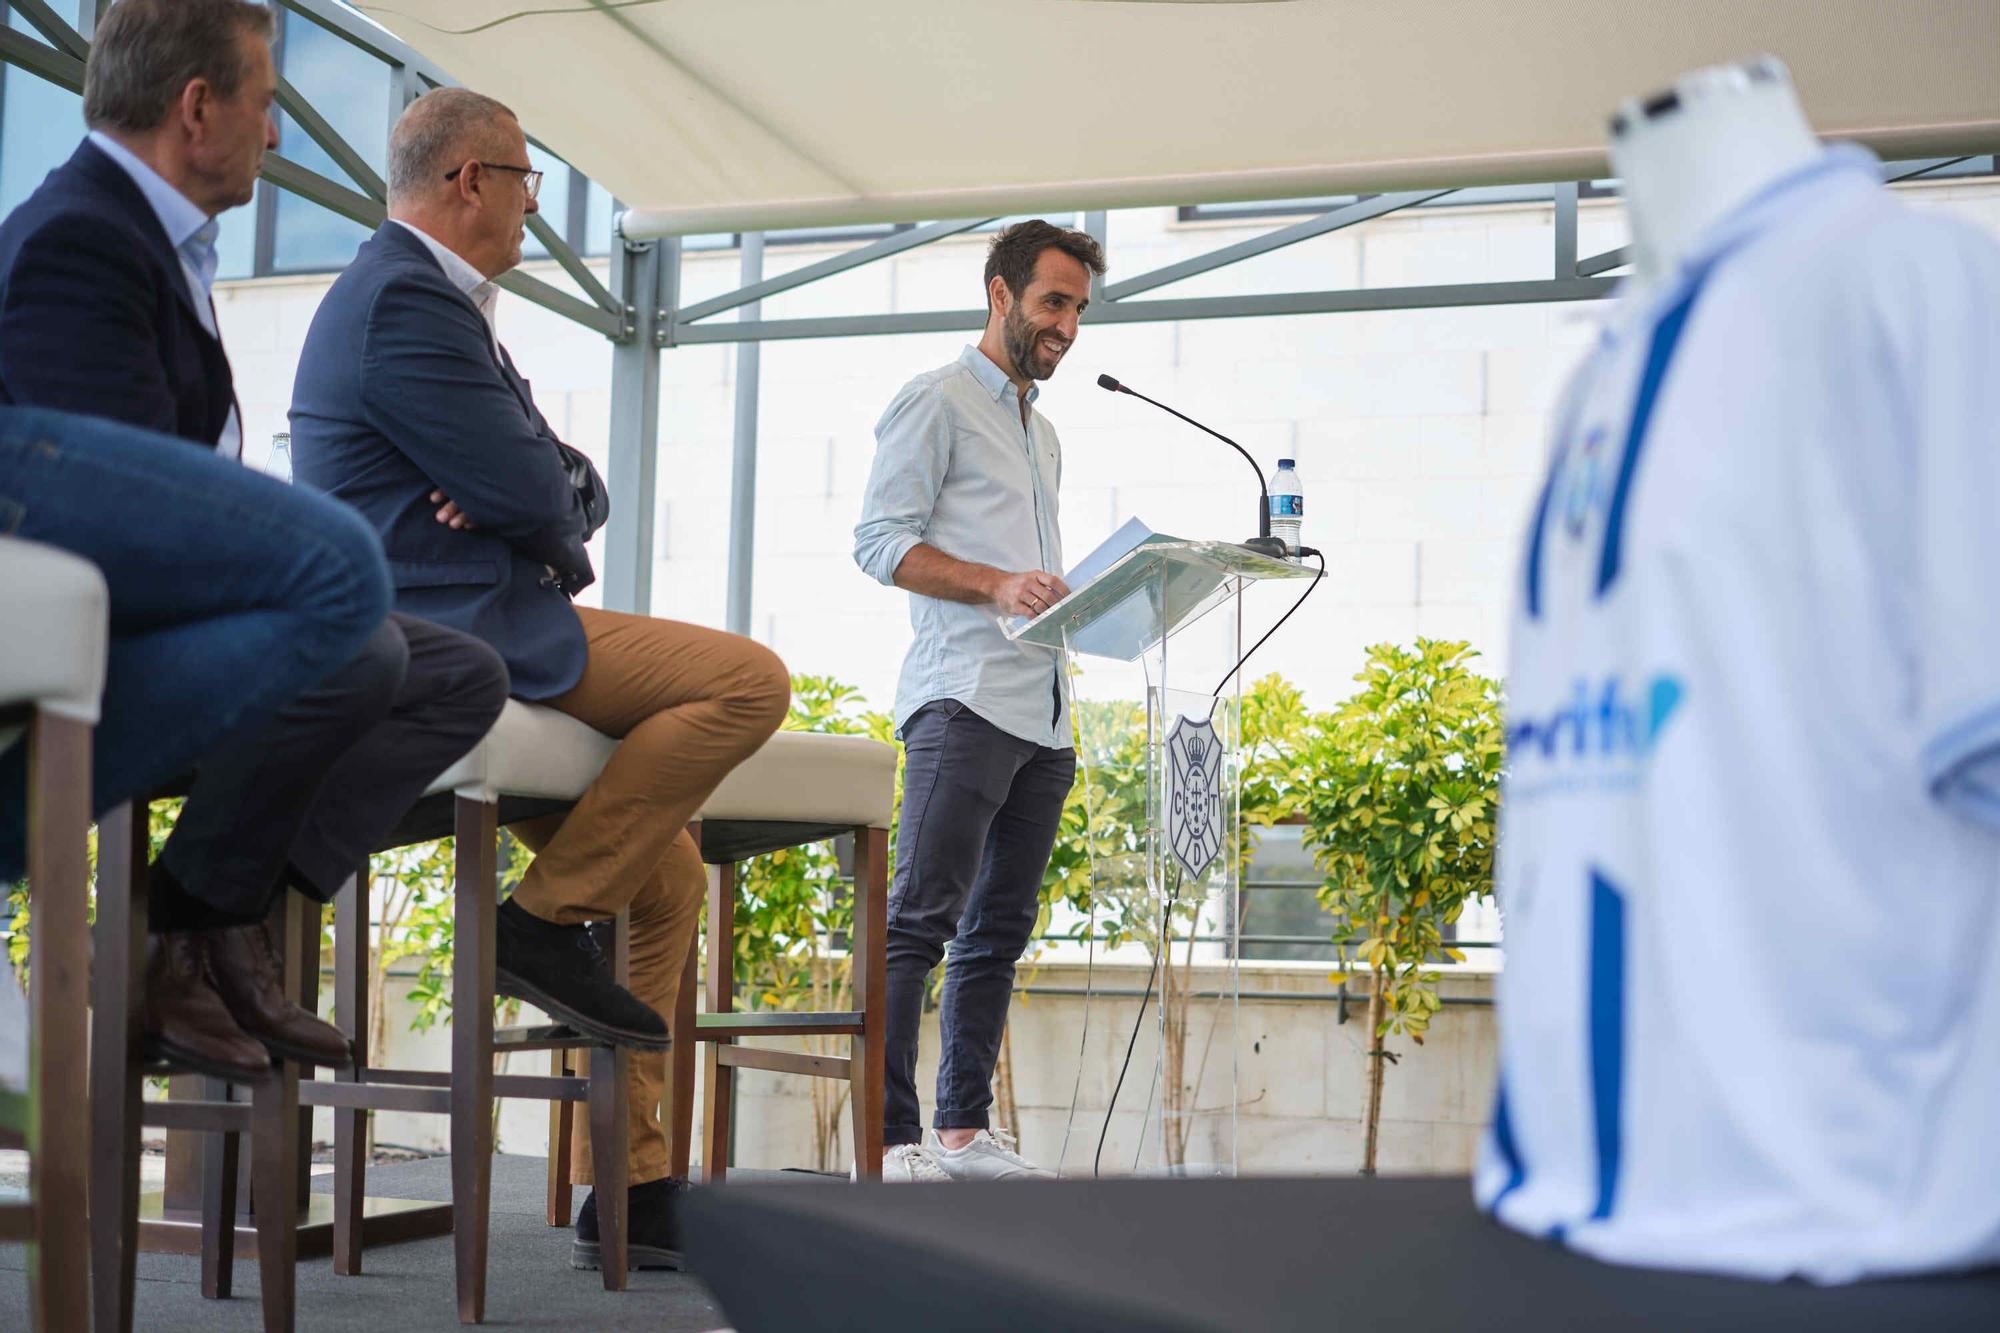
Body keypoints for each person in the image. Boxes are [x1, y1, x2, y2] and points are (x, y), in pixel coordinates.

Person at [290, 86, 791, 1270]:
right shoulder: (403, 300)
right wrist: (538, 500)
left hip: (494, 606)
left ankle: (632, 1186)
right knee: (748, 682)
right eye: (525, 180)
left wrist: (540, 494)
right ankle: (531, 924)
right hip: (446, 634)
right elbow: (532, 491)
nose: (534, 204)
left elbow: (558, 480)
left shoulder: (441, 302)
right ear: (468, 178)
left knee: (667, 875)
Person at [0, 0, 508, 1082]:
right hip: (101, 641)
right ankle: (176, 943)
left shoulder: (154, 239)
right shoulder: (80, 240)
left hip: (172, 623)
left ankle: (207, 924)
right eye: (266, 104)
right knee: (357, 635)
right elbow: (112, 527)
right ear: (197, 108)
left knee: (462, 672)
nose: (276, 135)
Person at [851, 219, 1103, 1181]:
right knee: (917, 921)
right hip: (962, 702)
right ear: (1000, 294)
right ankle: (891, 1141)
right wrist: (999, 583)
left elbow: (1025, 571)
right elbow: (881, 543)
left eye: (1079, 307)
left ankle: (960, 1130)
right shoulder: (936, 401)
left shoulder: (1042, 433)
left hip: (1042, 713)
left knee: (998, 933)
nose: (1068, 326)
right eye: (1053, 302)